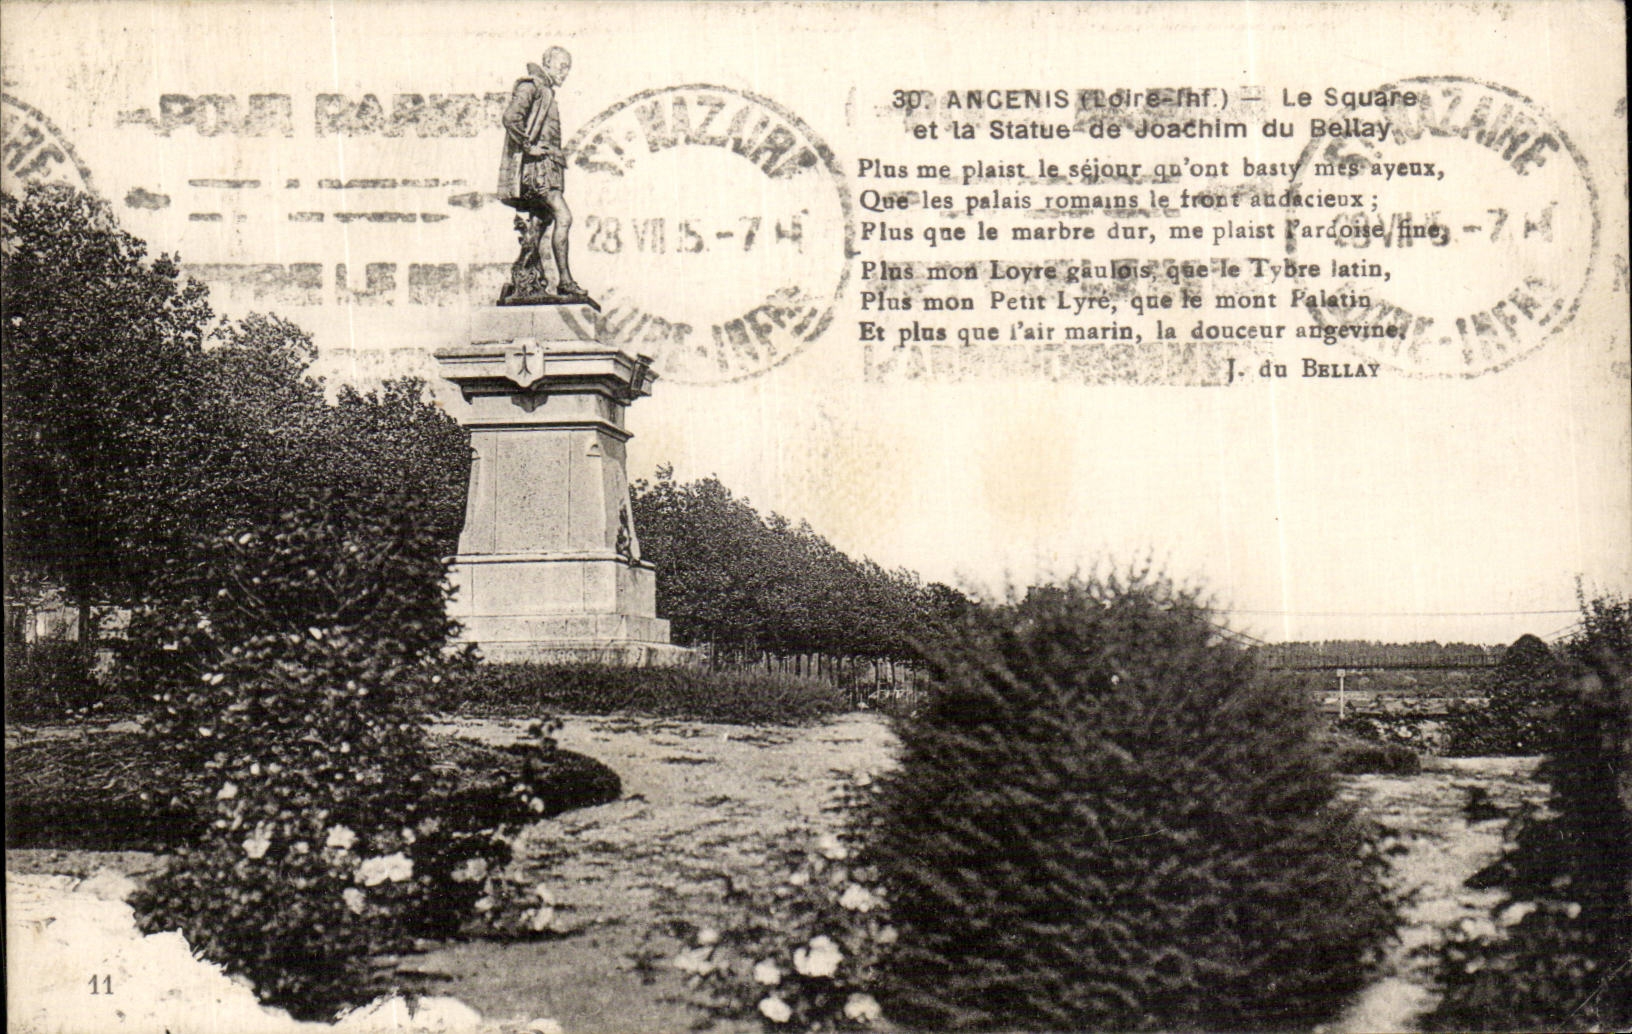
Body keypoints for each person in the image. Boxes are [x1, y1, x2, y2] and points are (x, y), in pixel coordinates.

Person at [498, 46, 584, 298]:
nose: (565, 72)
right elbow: (510, 118)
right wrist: (528, 147)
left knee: (539, 223)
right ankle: (565, 281)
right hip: (539, 170)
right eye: (561, 66)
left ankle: (524, 277)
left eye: (568, 68)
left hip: (550, 166)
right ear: (547, 63)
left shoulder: (545, 90)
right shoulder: (532, 86)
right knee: (564, 217)